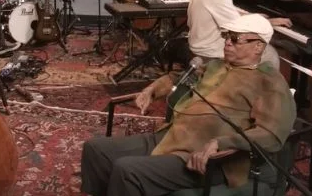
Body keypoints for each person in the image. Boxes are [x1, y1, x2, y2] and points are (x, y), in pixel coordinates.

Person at [80, 14, 297, 196]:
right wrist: (152, 90)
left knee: (126, 170)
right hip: (170, 137)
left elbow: (271, 135)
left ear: (258, 46)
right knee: (96, 150)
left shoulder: (270, 83)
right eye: (226, 36)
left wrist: (221, 143)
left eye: (235, 38)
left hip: (203, 157)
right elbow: (178, 78)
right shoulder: (216, 65)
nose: (227, 42)